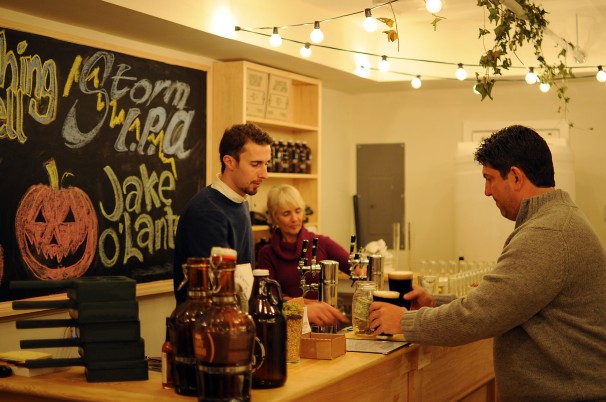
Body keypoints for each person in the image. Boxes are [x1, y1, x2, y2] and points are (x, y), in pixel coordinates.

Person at [369, 125, 606, 402]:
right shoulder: (557, 220)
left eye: (489, 179)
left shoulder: (547, 232)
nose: (486, 191)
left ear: (515, 176)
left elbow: (481, 314)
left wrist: (404, 322)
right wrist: (435, 304)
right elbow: (504, 303)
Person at [173, 123, 273, 305]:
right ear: (230, 162)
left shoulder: (239, 201)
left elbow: (243, 283)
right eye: (256, 164)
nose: (265, 174)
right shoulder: (207, 213)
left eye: (266, 164)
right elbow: (221, 294)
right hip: (208, 321)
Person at [257, 184, 349, 327]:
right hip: (291, 329)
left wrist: (360, 269)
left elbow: (354, 266)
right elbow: (272, 300)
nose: (295, 218)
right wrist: (307, 305)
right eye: (286, 214)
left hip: (327, 326)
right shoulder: (266, 254)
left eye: (298, 211)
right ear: (274, 217)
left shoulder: (322, 243)